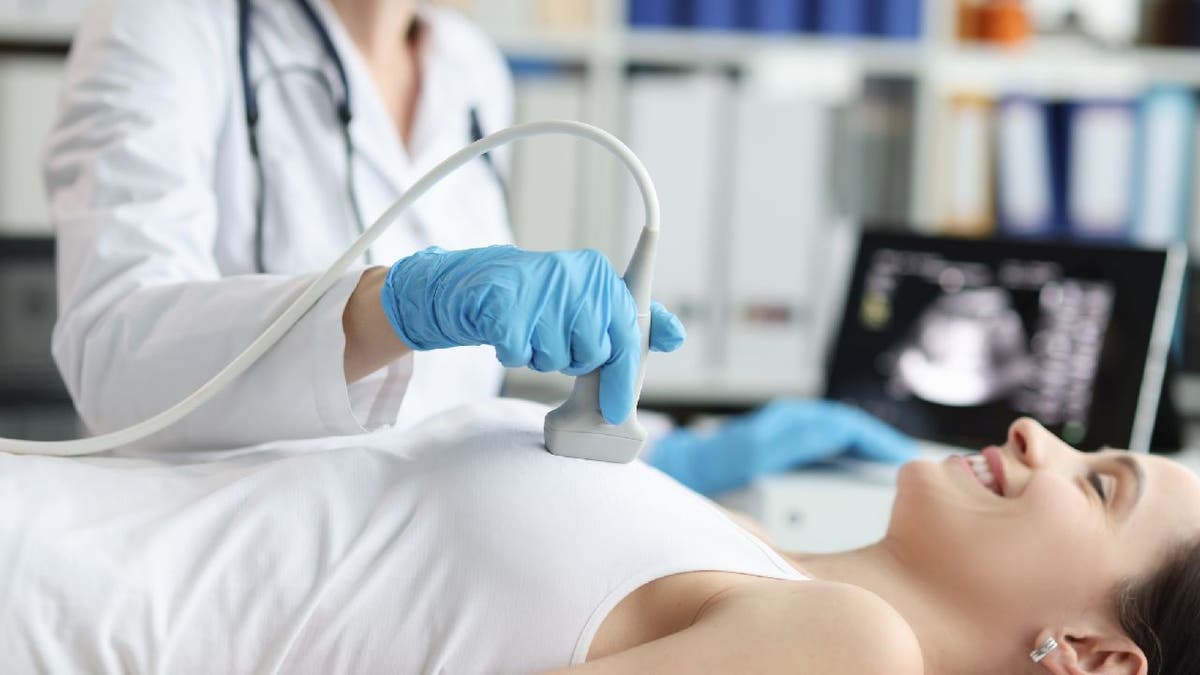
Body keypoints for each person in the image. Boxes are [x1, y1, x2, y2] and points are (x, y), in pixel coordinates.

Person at [44, 0, 913, 482]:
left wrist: (671, 451)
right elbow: (116, 364)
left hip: (430, 534)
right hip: (245, 545)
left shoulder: (468, 67)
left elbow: (445, 399)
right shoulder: (163, 24)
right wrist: (400, 304)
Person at [1, 400, 1196, 673]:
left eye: (1099, 488)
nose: (1042, 433)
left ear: (1093, 659)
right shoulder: (772, 566)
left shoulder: (850, 645)